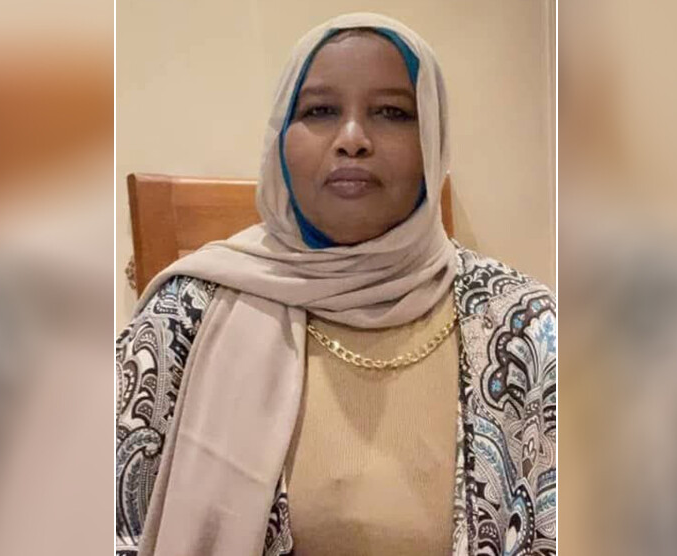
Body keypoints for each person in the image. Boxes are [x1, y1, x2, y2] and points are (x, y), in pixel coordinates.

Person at [115, 12, 555, 556]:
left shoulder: (524, 326)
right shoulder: (184, 315)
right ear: (280, 138)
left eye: (392, 112)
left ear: (433, 140)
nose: (352, 140)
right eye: (320, 111)